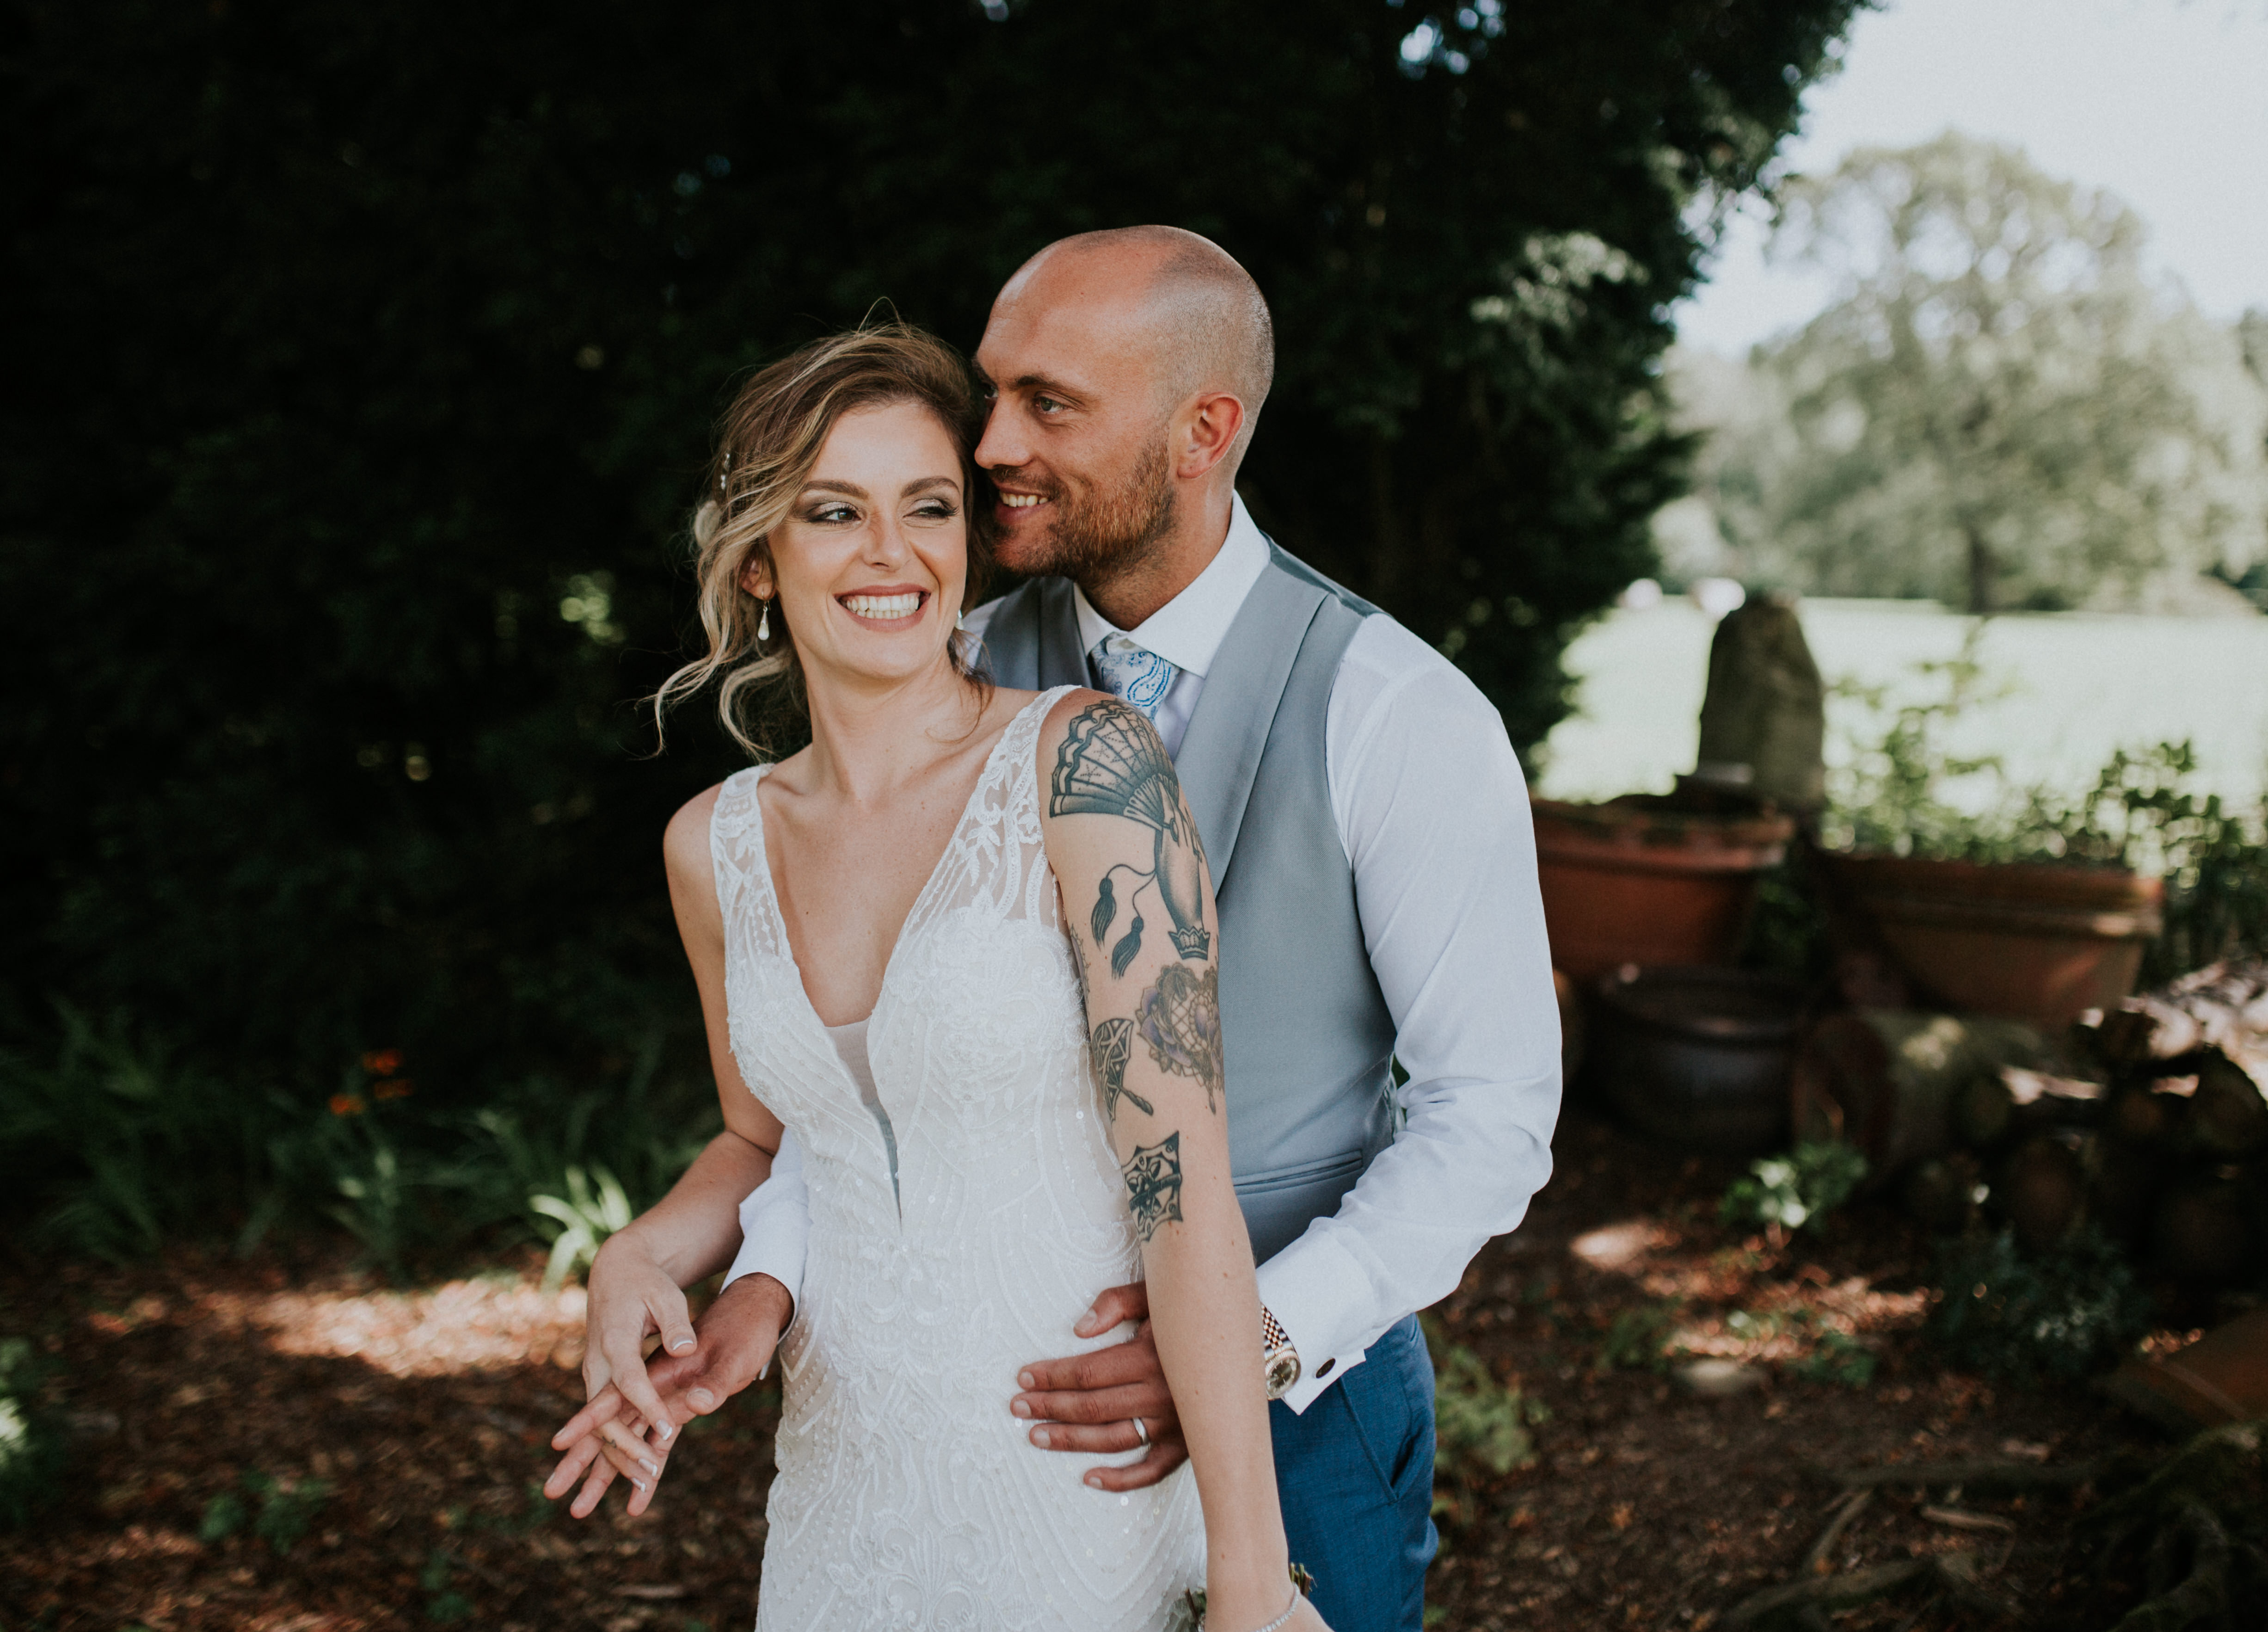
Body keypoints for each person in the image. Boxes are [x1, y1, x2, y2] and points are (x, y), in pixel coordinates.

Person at [558, 228, 1561, 1631]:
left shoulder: (1398, 713)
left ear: (1201, 431)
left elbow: (1493, 1115)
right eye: (992, 395)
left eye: (1048, 405)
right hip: (967, 1421)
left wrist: (1257, 1335)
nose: (989, 445)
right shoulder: (945, 661)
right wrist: (751, 1276)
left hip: (1303, 1398)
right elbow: (864, 1089)